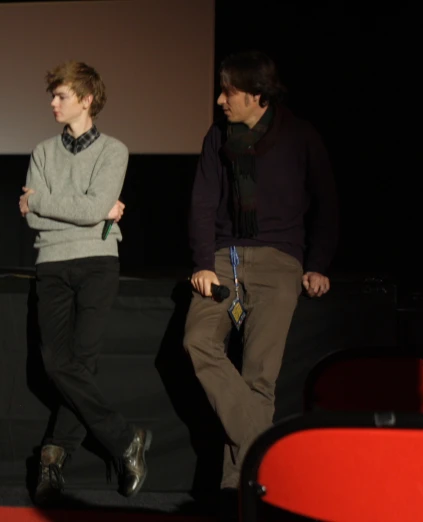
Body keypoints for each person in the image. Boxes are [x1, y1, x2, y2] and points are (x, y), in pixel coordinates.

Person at [183, 50, 338, 497]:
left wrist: (317, 264)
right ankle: (269, 454)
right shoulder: (218, 136)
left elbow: (327, 204)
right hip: (223, 258)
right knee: (196, 341)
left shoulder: (301, 137)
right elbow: (203, 203)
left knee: (259, 376)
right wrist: (200, 262)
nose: (219, 100)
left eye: (228, 91)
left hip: (279, 260)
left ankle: (239, 492)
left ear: (257, 95)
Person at [19, 61, 151, 505]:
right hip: (53, 263)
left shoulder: (114, 150)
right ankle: (126, 438)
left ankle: (52, 460)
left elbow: (84, 209)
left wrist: (52, 205)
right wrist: (92, 209)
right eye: (52, 96)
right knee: (58, 364)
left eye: (61, 96)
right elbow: (37, 214)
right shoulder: (42, 151)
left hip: (97, 262)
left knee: (81, 363)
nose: (53, 104)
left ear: (86, 99)